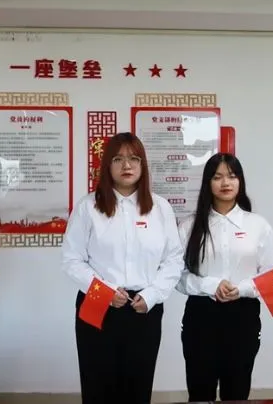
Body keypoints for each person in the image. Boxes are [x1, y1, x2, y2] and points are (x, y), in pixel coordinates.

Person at [60, 132, 184, 404]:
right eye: (118, 159)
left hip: (143, 305)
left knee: (138, 385)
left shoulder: (160, 208)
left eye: (133, 158)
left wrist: (152, 295)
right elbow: (71, 259)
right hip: (97, 300)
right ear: (107, 165)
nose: (127, 165)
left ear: (142, 165)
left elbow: (174, 260)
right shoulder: (88, 207)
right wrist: (103, 291)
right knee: (97, 385)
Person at [177, 153, 273, 402]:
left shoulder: (257, 225)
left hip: (243, 316)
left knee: (237, 390)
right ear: (208, 183)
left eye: (232, 176)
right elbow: (177, 276)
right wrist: (211, 285)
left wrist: (243, 289)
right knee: (200, 390)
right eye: (218, 177)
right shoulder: (189, 226)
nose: (226, 182)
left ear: (240, 181)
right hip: (201, 316)